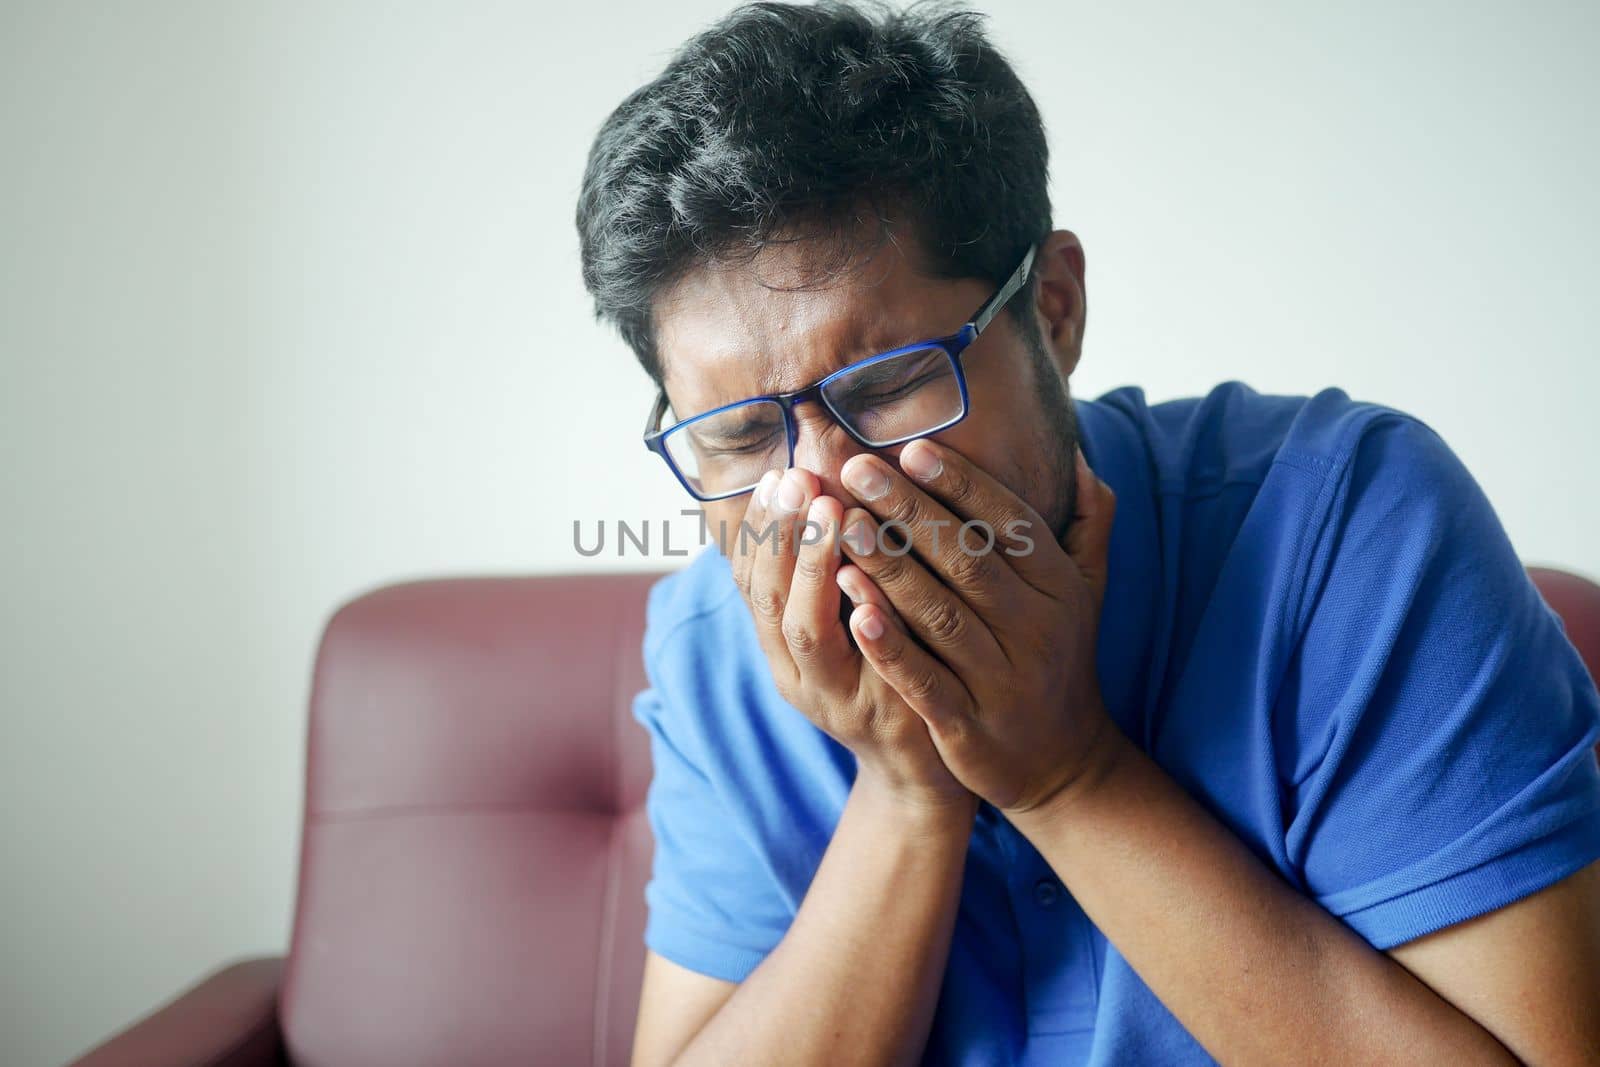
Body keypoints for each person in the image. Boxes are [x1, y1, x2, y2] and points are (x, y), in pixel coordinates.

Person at [575, 3, 1600, 1063]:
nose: (822, 492)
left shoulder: (1351, 525)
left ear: (1054, 309)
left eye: (884, 387)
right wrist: (906, 786)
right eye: (740, 434)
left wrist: (1067, 773)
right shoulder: (712, 636)